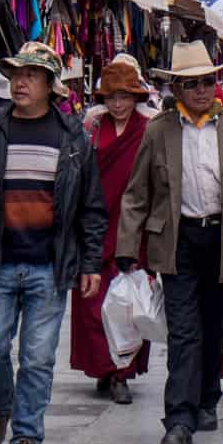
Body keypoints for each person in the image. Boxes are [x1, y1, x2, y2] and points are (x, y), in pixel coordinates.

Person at [0, 42, 107, 444]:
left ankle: (27, 435)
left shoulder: (73, 136)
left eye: (31, 75)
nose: (20, 82)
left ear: (50, 85)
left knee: (38, 357)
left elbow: (91, 205)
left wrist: (90, 262)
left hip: (48, 266)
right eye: (16, 74)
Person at [115, 41, 223, 444]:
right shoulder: (158, 130)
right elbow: (136, 193)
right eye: (192, 83)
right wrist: (127, 248)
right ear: (177, 89)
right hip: (178, 240)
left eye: (208, 81)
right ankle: (179, 418)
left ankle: (207, 399)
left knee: (214, 325)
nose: (202, 90)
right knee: (183, 331)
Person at [70, 61, 153, 405]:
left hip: (134, 226)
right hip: (94, 225)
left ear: (135, 97)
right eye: (112, 98)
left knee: (129, 305)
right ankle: (103, 367)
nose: (118, 105)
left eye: (124, 97)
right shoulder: (90, 128)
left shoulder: (149, 130)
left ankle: (122, 373)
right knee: (93, 303)